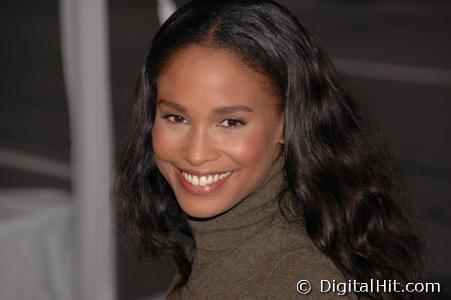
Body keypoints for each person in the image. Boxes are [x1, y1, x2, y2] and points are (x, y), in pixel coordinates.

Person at [114, 0, 427, 298]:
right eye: (177, 117)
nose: (196, 154)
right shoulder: (220, 250)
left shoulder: (294, 281)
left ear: (286, 124)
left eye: (231, 123)